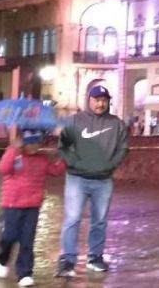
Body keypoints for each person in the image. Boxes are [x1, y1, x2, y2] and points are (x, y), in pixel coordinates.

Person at [56, 86, 129, 277]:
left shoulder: (117, 124)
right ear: (89, 100)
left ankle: (95, 257)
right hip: (76, 179)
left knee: (99, 221)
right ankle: (67, 260)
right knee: (72, 220)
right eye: (96, 99)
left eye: (104, 99)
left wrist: (111, 165)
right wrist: (74, 162)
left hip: (103, 181)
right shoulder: (75, 121)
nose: (100, 103)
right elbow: (62, 147)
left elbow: (123, 148)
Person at [0, 127, 65, 286]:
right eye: (29, 143)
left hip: (32, 206)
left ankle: (24, 273)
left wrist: (65, 156)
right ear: (23, 142)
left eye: (37, 143)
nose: (33, 147)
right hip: (11, 205)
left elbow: (55, 170)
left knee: (28, 240)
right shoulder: (14, 153)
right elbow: (2, 169)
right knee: (8, 237)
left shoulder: (42, 159)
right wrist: (13, 149)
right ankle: (2, 258)